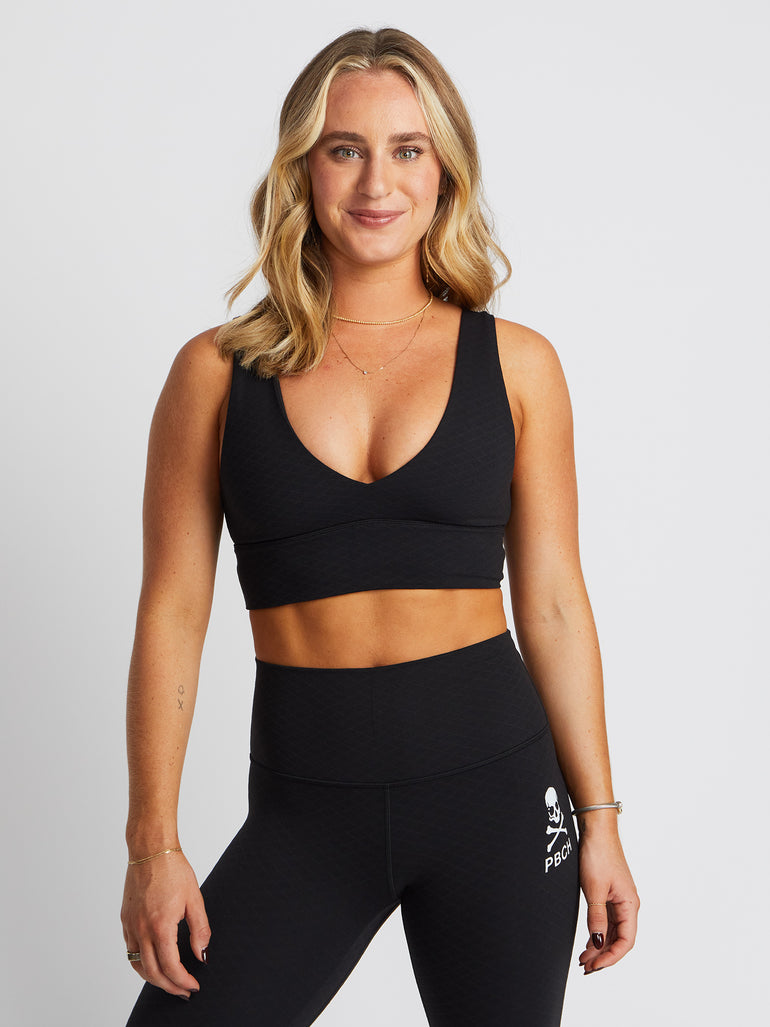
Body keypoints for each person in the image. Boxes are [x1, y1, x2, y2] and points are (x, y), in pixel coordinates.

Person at [121, 26, 639, 1027]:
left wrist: (600, 819)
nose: (376, 182)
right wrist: (153, 841)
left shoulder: (519, 365)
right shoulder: (215, 374)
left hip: (499, 798)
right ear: (302, 169)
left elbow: (553, 605)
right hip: (305, 809)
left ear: (444, 171)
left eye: (407, 149)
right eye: (343, 149)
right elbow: (172, 612)